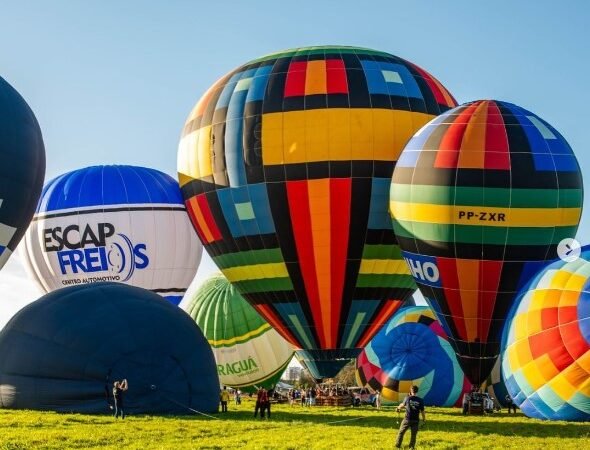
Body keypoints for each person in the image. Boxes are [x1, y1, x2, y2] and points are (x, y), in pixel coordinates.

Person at [395, 385, 425, 449]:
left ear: (411, 391)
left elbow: (402, 405)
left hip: (407, 419)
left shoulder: (407, 398)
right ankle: (411, 447)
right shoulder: (420, 400)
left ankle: (397, 446)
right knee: (413, 435)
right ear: (417, 391)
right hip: (416, 420)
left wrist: (398, 408)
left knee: (401, 432)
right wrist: (424, 419)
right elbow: (422, 411)